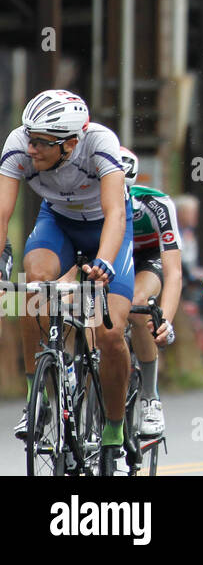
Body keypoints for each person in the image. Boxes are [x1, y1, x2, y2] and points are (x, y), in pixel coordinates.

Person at [1, 90, 135, 472]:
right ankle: (37, 401)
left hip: (106, 230)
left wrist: (106, 261)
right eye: (29, 136)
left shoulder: (99, 144)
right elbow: (2, 212)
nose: (30, 148)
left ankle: (113, 434)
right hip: (57, 222)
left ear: (71, 143)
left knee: (110, 335)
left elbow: (115, 213)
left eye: (41, 142)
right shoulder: (18, 144)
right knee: (32, 288)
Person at [119, 147, 183, 439]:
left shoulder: (155, 203)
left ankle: (149, 397)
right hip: (106, 258)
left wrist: (165, 319)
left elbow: (173, 273)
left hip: (147, 260)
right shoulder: (81, 202)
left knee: (136, 305)